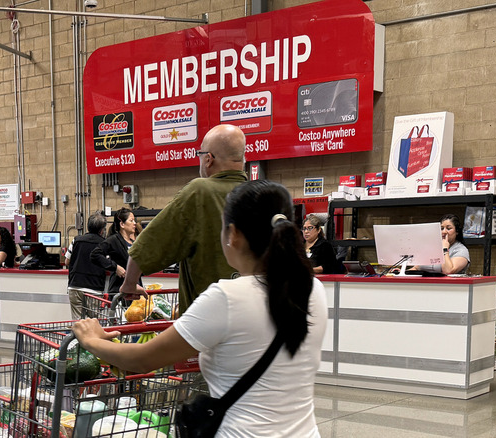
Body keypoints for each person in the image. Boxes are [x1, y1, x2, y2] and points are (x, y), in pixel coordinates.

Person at [74, 180, 328, 436]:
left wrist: (92, 340)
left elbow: (143, 359)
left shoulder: (226, 298)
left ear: (233, 234)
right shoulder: (313, 289)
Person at [120, 124, 248, 312]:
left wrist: (130, 283)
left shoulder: (200, 191)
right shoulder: (261, 194)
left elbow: (150, 243)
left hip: (208, 323)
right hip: (255, 321)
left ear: (208, 159)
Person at [66, 212, 108, 319]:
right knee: (93, 323)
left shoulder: (76, 240)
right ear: (102, 230)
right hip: (94, 288)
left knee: (78, 323)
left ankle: (78, 336)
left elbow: (67, 261)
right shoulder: (104, 243)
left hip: (75, 285)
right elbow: (107, 265)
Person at [90, 208, 139, 296]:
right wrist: (115, 267)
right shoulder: (113, 240)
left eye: (134, 220)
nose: (134, 223)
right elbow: (95, 254)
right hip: (119, 290)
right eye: (131, 220)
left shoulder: (134, 243)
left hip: (135, 289)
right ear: (122, 224)